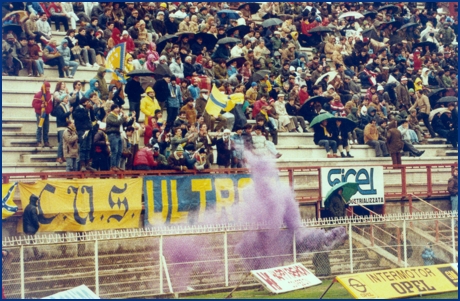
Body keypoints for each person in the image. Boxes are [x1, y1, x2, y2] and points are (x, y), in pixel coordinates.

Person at [106, 104, 134, 171]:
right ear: (113, 109)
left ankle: (117, 165)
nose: (118, 109)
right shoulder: (110, 116)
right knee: (114, 150)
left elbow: (125, 124)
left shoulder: (118, 116)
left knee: (119, 151)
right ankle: (113, 166)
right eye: (116, 108)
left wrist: (130, 118)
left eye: (118, 108)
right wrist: (123, 118)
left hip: (118, 134)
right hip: (113, 134)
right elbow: (116, 123)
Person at [32, 82, 53, 148]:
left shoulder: (49, 95)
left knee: (46, 128)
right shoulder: (38, 94)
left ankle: (46, 141)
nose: (48, 88)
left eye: (49, 87)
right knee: (40, 127)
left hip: (46, 113)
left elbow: (50, 105)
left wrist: (48, 110)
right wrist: (40, 106)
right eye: (47, 87)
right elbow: (34, 104)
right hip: (40, 113)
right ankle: (39, 141)